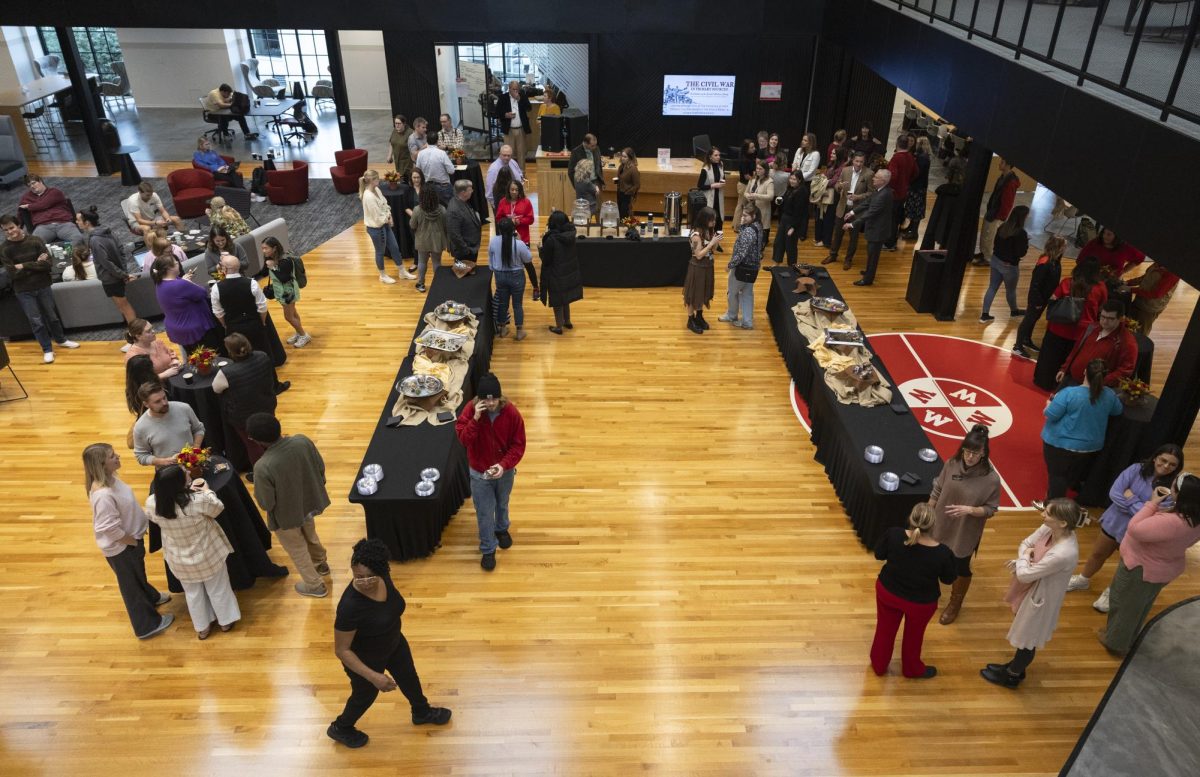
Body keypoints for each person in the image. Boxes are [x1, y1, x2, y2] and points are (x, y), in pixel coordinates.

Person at [327, 538, 452, 748]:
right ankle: (341, 727)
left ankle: (421, 712)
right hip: (365, 658)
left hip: (393, 642)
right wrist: (374, 676)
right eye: (358, 577)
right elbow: (342, 650)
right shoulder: (350, 607)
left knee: (409, 678)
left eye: (370, 577)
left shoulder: (384, 575)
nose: (365, 582)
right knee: (364, 696)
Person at [980, 498, 1086, 688]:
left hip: (1042, 596)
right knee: (1025, 633)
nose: (1043, 515)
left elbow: (1025, 573)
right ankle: (1014, 666)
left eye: (1048, 513)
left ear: (1062, 522)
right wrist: (1026, 556)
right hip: (1032, 587)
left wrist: (1025, 558)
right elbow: (1026, 543)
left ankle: (1013, 675)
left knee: (1028, 638)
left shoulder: (1063, 552)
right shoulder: (1050, 529)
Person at [1068, 445, 1184, 612]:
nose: (1166, 466)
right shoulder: (1136, 469)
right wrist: (1144, 507)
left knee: (1125, 567)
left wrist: (1130, 499)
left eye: (1172, 465)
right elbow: (1115, 493)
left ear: (1177, 468)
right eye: (1163, 460)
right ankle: (1083, 579)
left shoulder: (1173, 488)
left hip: (1139, 533)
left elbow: (1155, 515)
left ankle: (1111, 592)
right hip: (1115, 523)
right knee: (1097, 554)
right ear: (1155, 458)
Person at [1099, 473, 1200, 656]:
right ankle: (1124, 636)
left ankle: (1116, 643)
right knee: (1139, 606)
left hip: (1141, 569)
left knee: (1124, 605)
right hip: (1162, 569)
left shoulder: (1172, 522)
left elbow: (1135, 528)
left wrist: (1152, 503)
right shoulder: (1193, 518)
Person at [84, 443, 174, 640]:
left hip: (131, 541)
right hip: (123, 548)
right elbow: (107, 528)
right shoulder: (103, 495)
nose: (117, 457)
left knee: (137, 575)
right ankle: (147, 625)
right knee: (130, 586)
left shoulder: (111, 479)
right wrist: (131, 542)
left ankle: (150, 596)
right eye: (111, 456)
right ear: (101, 464)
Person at [146, 465, 240, 640]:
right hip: (208, 554)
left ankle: (202, 627)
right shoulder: (198, 501)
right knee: (218, 587)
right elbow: (217, 508)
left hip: (178, 558)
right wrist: (207, 490)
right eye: (185, 473)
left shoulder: (152, 503)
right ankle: (225, 621)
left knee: (192, 593)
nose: (189, 472)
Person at [246, 413, 331, 598]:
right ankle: (321, 563)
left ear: (255, 440)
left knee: (297, 549)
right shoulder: (302, 441)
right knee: (311, 534)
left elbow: (266, 503)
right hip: (309, 504)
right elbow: (320, 467)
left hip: (286, 517)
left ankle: (315, 585)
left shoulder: (262, 466)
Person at [870, 503, 956, 679]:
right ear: (933, 525)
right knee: (914, 637)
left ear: (910, 518)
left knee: (884, 630)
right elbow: (948, 579)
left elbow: (879, 554)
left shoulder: (893, 534)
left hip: (888, 593)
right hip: (921, 603)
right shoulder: (942, 552)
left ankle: (879, 665)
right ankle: (912, 669)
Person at [929, 425, 1002, 625]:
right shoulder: (951, 464)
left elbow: (991, 509)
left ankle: (955, 603)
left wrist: (970, 510)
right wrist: (928, 512)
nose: (969, 457)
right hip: (941, 523)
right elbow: (938, 489)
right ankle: (929, 591)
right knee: (935, 557)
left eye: (975, 453)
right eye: (967, 451)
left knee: (961, 566)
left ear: (984, 453)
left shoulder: (991, 479)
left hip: (965, 530)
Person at [454, 374, 526, 571]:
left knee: (502, 503)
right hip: (479, 474)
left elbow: (518, 445)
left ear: (499, 397)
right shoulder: (470, 411)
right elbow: (463, 439)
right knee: (485, 512)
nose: (491, 403)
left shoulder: (511, 413)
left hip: (505, 472)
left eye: (494, 398)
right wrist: (476, 419)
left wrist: (503, 465)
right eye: (486, 399)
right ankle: (488, 549)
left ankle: (501, 529)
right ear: (479, 399)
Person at [0, 214, 80, 363]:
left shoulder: (36, 241)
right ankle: (47, 349)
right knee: (36, 321)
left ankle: (61, 340)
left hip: (43, 285)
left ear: (18, 225)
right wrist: (36, 263)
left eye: (11, 228)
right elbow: (13, 274)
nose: (9, 232)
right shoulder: (4, 249)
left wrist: (23, 265)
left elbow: (48, 264)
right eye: (5, 230)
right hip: (23, 290)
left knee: (52, 317)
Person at [1041, 359, 1123, 500]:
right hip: (1090, 447)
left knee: (1057, 476)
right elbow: (1117, 410)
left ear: (1085, 372)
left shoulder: (1069, 393)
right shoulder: (1109, 395)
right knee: (1071, 475)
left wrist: (1049, 403)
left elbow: (1051, 415)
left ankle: (1053, 506)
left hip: (1060, 445)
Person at [1033, 257, 1107, 391]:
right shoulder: (1100, 288)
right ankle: (1062, 387)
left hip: (1058, 328)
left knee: (1050, 358)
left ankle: (1043, 382)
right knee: (1070, 362)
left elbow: (1053, 299)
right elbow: (1102, 308)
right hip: (1081, 333)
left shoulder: (1067, 282)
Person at [212, 332, 277, 469]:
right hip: (267, 405)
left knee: (252, 444)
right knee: (269, 436)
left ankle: (261, 471)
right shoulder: (262, 356)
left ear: (230, 351)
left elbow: (216, 389)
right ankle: (278, 461)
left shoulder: (226, 373)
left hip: (243, 416)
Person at [210, 255, 280, 369]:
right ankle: (274, 384)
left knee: (239, 360)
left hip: (233, 327)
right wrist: (262, 322)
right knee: (263, 354)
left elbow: (218, 312)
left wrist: (226, 325)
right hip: (254, 324)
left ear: (225, 269)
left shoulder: (216, 288)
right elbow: (262, 307)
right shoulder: (251, 283)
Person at [76, 206, 139, 326]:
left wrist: (122, 274)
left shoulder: (94, 240)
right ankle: (134, 335)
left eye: (78, 220)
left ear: (87, 222)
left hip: (111, 279)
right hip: (118, 274)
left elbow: (106, 263)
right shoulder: (109, 231)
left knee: (124, 307)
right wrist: (123, 271)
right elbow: (121, 251)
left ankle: (136, 336)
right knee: (123, 307)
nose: (76, 222)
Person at [1054, 301, 1138, 389]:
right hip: (1071, 379)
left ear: (1121, 319)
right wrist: (1064, 368)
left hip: (1094, 389)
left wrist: (1099, 381)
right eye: (1103, 316)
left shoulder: (1127, 342)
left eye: (1110, 318)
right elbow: (1076, 349)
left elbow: (1125, 370)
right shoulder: (1092, 327)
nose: (1105, 321)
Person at [151, 255, 222, 355]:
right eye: (176, 263)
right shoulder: (180, 285)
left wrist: (183, 280)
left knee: (195, 359)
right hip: (194, 328)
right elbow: (202, 293)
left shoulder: (160, 283)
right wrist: (187, 282)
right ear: (169, 268)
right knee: (210, 358)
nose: (178, 265)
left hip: (179, 328)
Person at [1013, 235, 1066, 358]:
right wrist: (1036, 301)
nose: (1065, 248)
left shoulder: (1055, 261)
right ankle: (1017, 346)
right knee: (1028, 320)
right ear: (1057, 247)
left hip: (1044, 298)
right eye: (1064, 246)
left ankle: (1026, 340)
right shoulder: (1045, 262)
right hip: (1037, 299)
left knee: (1034, 319)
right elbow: (1035, 284)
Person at [360, 169, 413, 285]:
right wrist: (388, 219)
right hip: (376, 228)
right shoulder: (368, 196)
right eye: (377, 178)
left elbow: (384, 204)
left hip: (384, 225)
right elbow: (377, 217)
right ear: (371, 180)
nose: (379, 180)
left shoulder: (377, 190)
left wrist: (389, 216)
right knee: (380, 252)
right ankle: (383, 275)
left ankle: (402, 271)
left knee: (394, 248)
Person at [132, 383, 205, 467]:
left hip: (194, 465)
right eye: (157, 401)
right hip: (168, 472)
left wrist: (195, 448)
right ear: (146, 404)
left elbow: (199, 429)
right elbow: (141, 456)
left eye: (164, 397)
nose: (164, 403)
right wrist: (164, 461)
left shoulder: (184, 408)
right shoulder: (140, 427)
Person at [979, 205, 1030, 323]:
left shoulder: (1003, 226)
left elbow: (996, 244)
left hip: (996, 260)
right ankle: (1014, 311)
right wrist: (1026, 243)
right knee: (1010, 290)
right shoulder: (1021, 233)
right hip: (1009, 266)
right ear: (1023, 217)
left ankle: (984, 315)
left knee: (992, 287)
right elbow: (1021, 253)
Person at [843, 169, 893, 286]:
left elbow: (870, 213)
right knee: (871, 254)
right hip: (875, 228)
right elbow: (867, 203)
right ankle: (868, 272)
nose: (873, 178)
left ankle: (867, 279)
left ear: (883, 181)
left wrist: (851, 224)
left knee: (873, 255)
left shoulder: (883, 195)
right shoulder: (879, 190)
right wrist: (852, 212)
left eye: (876, 177)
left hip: (878, 231)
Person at [489, 217, 537, 341]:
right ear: (513, 229)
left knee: (502, 302)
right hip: (516, 276)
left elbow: (491, 260)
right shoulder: (518, 244)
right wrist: (522, 242)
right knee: (517, 304)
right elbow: (528, 258)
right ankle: (519, 332)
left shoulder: (494, 241)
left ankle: (503, 329)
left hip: (500, 275)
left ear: (499, 229)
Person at [538, 210, 583, 334]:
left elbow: (546, 259)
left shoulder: (551, 239)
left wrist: (540, 248)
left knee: (557, 300)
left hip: (556, 274)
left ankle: (558, 327)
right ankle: (567, 321)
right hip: (569, 271)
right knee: (566, 298)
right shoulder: (570, 235)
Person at [823, 151, 871, 267]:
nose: (859, 164)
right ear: (853, 160)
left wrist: (858, 197)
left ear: (864, 162)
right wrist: (839, 186)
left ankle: (848, 259)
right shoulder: (845, 170)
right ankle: (833, 255)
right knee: (838, 233)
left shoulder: (869, 174)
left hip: (857, 210)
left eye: (861, 162)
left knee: (853, 237)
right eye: (857, 161)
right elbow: (837, 185)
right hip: (843, 207)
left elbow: (872, 193)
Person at [719, 204, 763, 329]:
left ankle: (732, 315)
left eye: (745, 215)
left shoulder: (748, 232)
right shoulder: (758, 227)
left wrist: (730, 265)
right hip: (753, 267)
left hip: (742, 267)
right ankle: (747, 322)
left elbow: (741, 253)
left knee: (732, 292)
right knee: (748, 293)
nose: (742, 217)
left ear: (753, 216)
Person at [261, 236, 310, 347]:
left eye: (266, 248)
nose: (263, 251)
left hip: (288, 292)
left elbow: (284, 278)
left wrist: (273, 267)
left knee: (288, 316)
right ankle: (299, 332)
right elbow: (263, 273)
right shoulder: (270, 258)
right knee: (293, 313)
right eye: (262, 249)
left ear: (274, 248)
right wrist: (267, 264)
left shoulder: (286, 260)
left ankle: (303, 335)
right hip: (280, 291)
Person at [972, 158, 1020, 265]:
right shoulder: (1003, 177)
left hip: (996, 214)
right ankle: (984, 252)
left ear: (1008, 165)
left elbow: (1008, 201)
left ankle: (987, 258)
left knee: (990, 236)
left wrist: (1001, 216)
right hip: (992, 211)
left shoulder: (1010, 182)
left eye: (1002, 162)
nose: (1000, 164)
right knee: (985, 234)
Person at [684, 207, 721, 334]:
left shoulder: (708, 230)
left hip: (708, 267)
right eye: (712, 220)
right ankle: (690, 320)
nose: (714, 222)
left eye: (715, 220)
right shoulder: (696, 236)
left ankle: (699, 316)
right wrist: (711, 244)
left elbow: (712, 250)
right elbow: (698, 254)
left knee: (703, 292)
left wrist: (716, 241)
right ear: (704, 220)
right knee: (693, 294)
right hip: (697, 268)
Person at [17, 174, 84, 244]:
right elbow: (20, 212)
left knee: (77, 238)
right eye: (29, 185)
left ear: (40, 181)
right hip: (43, 226)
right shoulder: (26, 198)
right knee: (34, 244)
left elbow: (44, 204)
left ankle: (69, 254)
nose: (32, 186)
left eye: (33, 183)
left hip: (63, 223)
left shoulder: (54, 192)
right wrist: (18, 229)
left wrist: (29, 206)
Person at [410, 186, 450, 294]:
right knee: (437, 262)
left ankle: (421, 284)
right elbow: (446, 225)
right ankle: (438, 284)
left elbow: (412, 225)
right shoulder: (442, 209)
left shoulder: (417, 210)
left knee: (422, 262)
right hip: (437, 240)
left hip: (422, 240)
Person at [882, 135, 917, 250]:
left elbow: (892, 176)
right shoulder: (910, 157)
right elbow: (916, 172)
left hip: (894, 194)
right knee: (896, 219)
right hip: (903, 193)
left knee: (891, 219)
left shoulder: (896, 158)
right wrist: (906, 182)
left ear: (897, 144)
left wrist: (887, 187)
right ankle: (893, 241)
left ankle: (889, 243)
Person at [1129, 261, 1180, 335]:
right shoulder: (1156, 264)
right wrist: (1127, 283)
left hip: (1150, 308)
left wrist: (1131, 290)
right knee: (1130, 323)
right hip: (1139, 300)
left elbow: (1156, 294)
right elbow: (1144, 278)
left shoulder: (1172, 274)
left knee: (1141, 332)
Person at [814, 146, 848, 248]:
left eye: (834, 153)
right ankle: (820, 238)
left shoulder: (841, 168)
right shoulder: (832, 164)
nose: (831, 155)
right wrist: (823, 179)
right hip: (826, 193)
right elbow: (824, 176)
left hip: (832, 196)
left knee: (828, 218)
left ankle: (826, 241)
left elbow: (834, 181)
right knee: (822, 217)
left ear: (839, 156)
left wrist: (823, 181)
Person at [494, 81, 532, 171]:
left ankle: (522, 174)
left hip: (520, 129)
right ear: (509, 89)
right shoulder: (503, 98)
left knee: (521, 154)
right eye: (513, 89)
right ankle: (508, 174)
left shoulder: (522, 96)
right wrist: (505, 115)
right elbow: (497, 113)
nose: (516, 91)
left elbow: (529, 108)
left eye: (517, 89)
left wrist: (519, 99)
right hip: (509, 130)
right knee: (507, 155)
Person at [1078, 228, 1145, 277]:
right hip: (1093, 277)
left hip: (1113, 280)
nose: (1105, 236)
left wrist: (1124, 271)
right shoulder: (1095, 243)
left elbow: (1140, 258)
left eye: (1109, 234)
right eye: (1104, 233)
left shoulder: (1125, 247)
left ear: (1116, 236)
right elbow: (1080, 259)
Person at [900, 136, 932, 240]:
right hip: (918, 186)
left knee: (916, 210)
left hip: (917, 187)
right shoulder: (923, 156)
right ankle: (911, 227)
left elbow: (917, 173)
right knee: (914, 209)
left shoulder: (922, 157)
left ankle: (914, 232)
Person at [790, 133, 820, 240]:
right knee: (793, 206)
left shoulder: (815, 154)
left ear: (811, 142)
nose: (803, 142)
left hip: (805, 184)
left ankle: (802, 232)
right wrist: (795, 176)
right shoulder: (799, 150)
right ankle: (792, 228)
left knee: (803, 209)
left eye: (806, 140)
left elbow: (812, 172)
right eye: (803, 140)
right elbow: (794, 164)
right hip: (795, 181)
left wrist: (799, 178)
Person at [770, 173, 804, 267]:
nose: (792, 181)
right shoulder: (790, 188)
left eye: (794, 179)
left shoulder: (802, 192)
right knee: (779, 242)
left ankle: (792, 266)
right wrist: (780, 200)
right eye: (791, 178)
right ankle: (776, 263)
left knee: (791, 246)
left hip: (793, 221)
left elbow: (800, 212)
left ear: (799, 180)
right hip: (785, 218)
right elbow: (785, 198)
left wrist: (793, 227)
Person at [446, 179, 482, 268]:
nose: (472, 191)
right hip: (464, 252)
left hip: (470, 248)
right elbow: (454, 234)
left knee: (469, 272)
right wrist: (466, 250)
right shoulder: (454, 210)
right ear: (463, 192)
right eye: (470, 190)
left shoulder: (461, 201)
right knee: (463, 276)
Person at [483, 144, 524, 213]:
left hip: (515, 201)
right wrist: (495, 206)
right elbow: (489, 191)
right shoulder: (493, 169)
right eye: (504, 155)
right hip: (501, 204)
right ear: (500, 154)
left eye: (509, 155)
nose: (506, 158)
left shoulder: (513, 162)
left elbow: (520, 174)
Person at [744, 160, 776, 247]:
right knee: (751, 229)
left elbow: (770, 196)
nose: (757, 170)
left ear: (765, 170)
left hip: (762, 210)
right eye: (757, 168)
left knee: (762, 230)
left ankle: (761, 247)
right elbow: (745, 192)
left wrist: (756, 196)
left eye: (760, 169)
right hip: (752, 209)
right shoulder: (753, 179)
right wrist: (748, 196)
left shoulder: (769, 181)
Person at [415, 139, 455, 206]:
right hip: (443, 187)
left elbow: (418, 170)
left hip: (428, 187)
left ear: (427, 141)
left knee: (431, 209)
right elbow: (451, 171)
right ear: (437, 141)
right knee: (448, 210)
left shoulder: (421, 153)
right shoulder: (442, 153)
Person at [495, 179, 535, 245]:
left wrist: (519, 221)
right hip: (506, 238)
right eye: (512, 189)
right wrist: (508, 221)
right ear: (508, 190)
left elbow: (531, 219)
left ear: (520, 191)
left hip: (523, 239)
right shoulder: (502, 202)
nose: (514, 192)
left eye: (516, 190)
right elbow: (498, 219)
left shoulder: (526, 202)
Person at [697, 146, 727, 230]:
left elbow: (722, 177)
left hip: (719, 197)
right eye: (716, 155)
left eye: (719, 155)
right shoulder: (705, 169)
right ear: (710, 157)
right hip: (710, 198)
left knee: (719, 220)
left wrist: (722, 182)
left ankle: (717, 241)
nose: (718, 157)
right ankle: (708, 240)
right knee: (709, 219)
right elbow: (699, 186)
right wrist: (713, 185)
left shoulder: (721, 165)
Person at [733, 139, 757, 226]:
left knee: (744, 205)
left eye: (754, 146)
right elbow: (746, 176)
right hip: (744, 185)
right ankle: (737, 226)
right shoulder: (744, 160)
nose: (754, 148)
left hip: (748, 184)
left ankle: (739, 224)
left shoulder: (751, 157)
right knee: (741, 205)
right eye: (752, 147)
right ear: (746, 149)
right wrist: (754, 181)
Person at [385, 114, 413, 180]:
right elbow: (391, 142)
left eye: (399, 123)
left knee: (406, 179)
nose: (397, 125)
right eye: (395, 123)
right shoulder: (395, 130)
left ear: (404, 123)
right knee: (400, 177)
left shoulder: (410, 133)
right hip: (398, 161)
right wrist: (389, 155)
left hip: (407, 163)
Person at [616, 148, 640, 220]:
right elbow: (621, 178)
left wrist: (627, 192)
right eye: (622, 156)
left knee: (625, 215)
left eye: (625, 157)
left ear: (630, 158)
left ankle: (627, 229)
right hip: (619, 193)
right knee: (620, 214)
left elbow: (637, 185)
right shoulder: (621, 166)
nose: (622, 158)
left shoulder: (633, 169)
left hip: (627, 195)